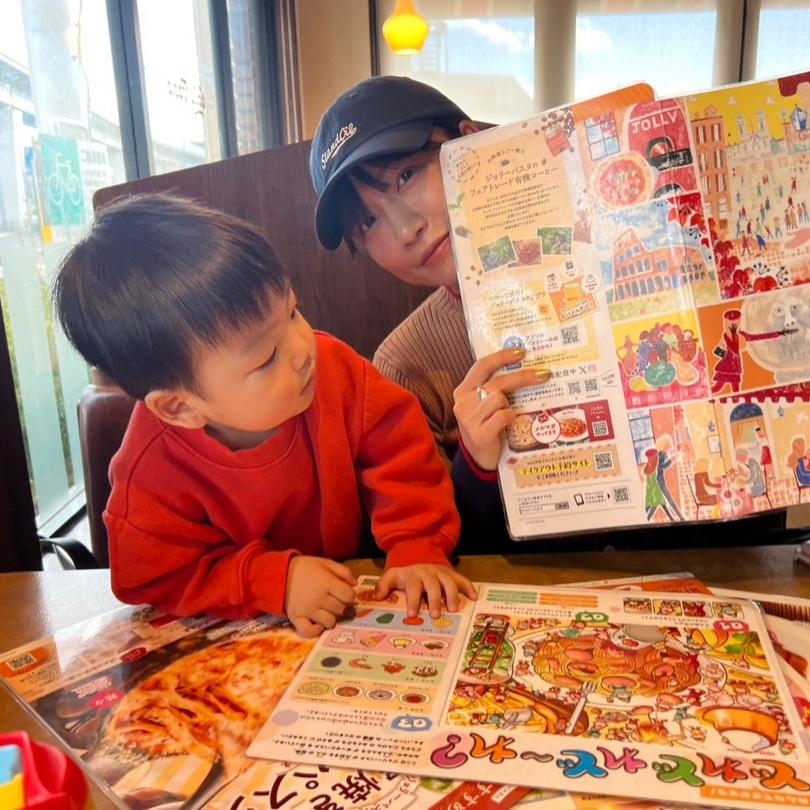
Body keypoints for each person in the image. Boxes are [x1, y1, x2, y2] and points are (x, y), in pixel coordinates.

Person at [52, 194, 475, 638]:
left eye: (291, 312)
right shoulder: (151, 472)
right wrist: (273, 581)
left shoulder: (335, 370)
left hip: (351, 601)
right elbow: (150, 576)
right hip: (249, 640)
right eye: (266, 358)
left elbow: (400, 452)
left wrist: (416, 545)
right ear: (181, 407)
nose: (302, 350)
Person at [309, 75, 551, 549]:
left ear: (470, 143)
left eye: (407, 175)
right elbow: (441, 553)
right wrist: (476, 464)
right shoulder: (405, 365)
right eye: (369, 221)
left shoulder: (623, 261)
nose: (406, 230)